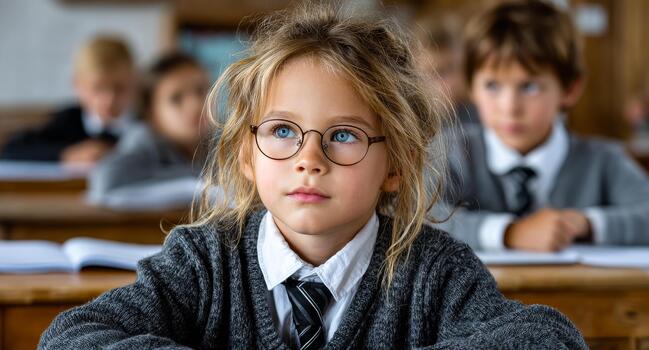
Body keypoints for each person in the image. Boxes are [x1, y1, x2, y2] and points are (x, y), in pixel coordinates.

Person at [39, 2, 586, 349]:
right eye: (281, 131)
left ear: (394, 164)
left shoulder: (432, 271)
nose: (309, 159)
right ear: (247, 156)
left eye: (344, 135)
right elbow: (72, 336)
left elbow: (547, 337)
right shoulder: (204, 261)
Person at [440, 0, 649, 252]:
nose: (510, 107)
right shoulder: (448, 152)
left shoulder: (603, 160)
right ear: (471, 86)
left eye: (529, 87)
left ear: (570, 89)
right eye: (492, 86)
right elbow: (411, 218)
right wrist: (510, 232)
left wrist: (588, 224)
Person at [87, 53, 210, 209]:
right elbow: (104, 181)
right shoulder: (143, 139)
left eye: (201, 91)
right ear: (151, 113)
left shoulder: (218, 140)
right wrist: (201, 181)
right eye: (176, 98)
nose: (196, 105)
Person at [0, 35, 137, 164]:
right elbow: (12, 149)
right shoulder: (68, 120)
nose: (109, 99)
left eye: (119, 88)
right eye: (98, 88)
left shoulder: (146, 121)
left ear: (134, 80)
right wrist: (67, 154)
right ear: (77, 85)